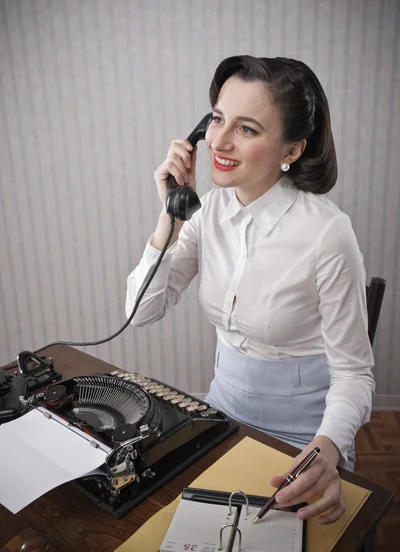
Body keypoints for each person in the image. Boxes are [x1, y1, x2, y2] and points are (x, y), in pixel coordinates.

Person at [126, 55, 375, 525]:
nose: (218, 140)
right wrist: (170, 217)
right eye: (218, 119)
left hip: (305, 434)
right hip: (219, 415)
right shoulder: (206, 212)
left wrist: (324, 451)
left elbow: (355, 376)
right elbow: (141, 313)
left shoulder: (328, 234)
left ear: (292, 150)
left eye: (247, 128)